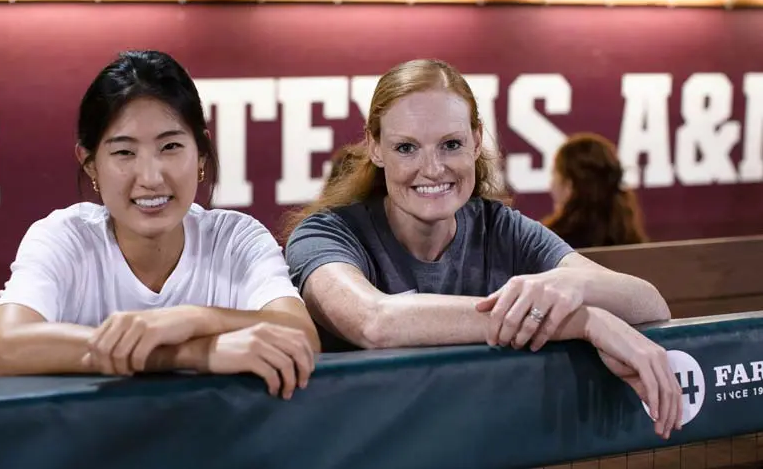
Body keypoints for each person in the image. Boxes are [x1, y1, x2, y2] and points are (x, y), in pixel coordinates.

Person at [283, 59, 682, 438]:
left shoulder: (501, 228)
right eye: (407, 148)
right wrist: (582, 322)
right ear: (375, 148)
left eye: (450, 144)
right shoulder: (326, 234)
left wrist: (572, 287)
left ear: (476, 141)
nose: (433, 168)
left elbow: (650, 303)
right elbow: (376, 321)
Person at [0, 50, 319, 400]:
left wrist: (193, 319)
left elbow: (302, 336)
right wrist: (192, 354)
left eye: (171, 146)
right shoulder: (63, 237)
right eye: (124, 153)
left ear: (201, 152)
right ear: (89, 164)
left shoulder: (236, 239)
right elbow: (7, 347)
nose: (150, 178)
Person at [543, 132, 649, 248]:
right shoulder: (632, 244)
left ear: (569, 185)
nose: (551, 186)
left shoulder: (549, 247)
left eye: (554, 174)